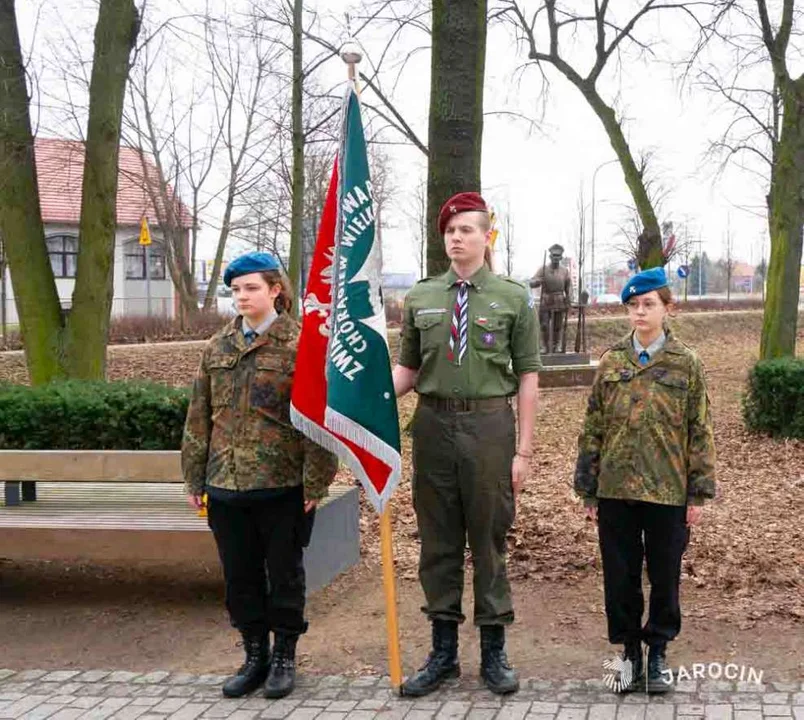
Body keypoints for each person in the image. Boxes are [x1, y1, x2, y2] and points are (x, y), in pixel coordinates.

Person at [393, 192, 541, 696]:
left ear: (486, 237)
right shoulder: (421, 297)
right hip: (433, 427)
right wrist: (362, 394)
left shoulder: (513, 298)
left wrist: (523, 451)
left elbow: (527, 378)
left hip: (489, 430)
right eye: (450, 231)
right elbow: (408, 372)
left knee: (488, 540)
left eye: (466, 230)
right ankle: (443, 654)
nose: (456, 238)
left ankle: (494, 653)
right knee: (438, 542)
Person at [182, 252, 338, 700]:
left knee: (284, 575)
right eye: (235, 290)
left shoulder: (301, 344)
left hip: (281, 484)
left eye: (251, 288)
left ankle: (285, 656)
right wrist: (194, 478)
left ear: (275, 290)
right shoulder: (218, 347)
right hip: (225, 484)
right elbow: (199, 416)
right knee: (240, 576)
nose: (242, 297)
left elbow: (316, 420)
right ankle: (255, 655)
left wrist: (315, 482)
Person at [573, 267, 716, 694]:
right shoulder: (612, 360)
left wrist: (699, 492)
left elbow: (700, 428)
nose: (639, 312)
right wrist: (588, 486)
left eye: (648, 304)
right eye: (633, 305)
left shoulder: (686, 363)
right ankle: (629, 652)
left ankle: (657, 652)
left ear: (667, 308)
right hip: (615, 489)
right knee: (620, 577)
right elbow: (593, 424)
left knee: (665, 575)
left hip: (667, 491)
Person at [529, 244, 572, 353]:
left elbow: (568, 286)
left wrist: (569, 299)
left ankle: (556, 345)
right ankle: (545, 346)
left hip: (559, 300)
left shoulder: (565, 271)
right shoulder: (543, 269)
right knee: (544, 325)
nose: (556, 258)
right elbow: (532, 282)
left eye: (558, 256)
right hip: (546, 300)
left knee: (557, 326)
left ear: (561, 257)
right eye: (554, 256)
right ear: (550, 257)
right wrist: (538, 281)